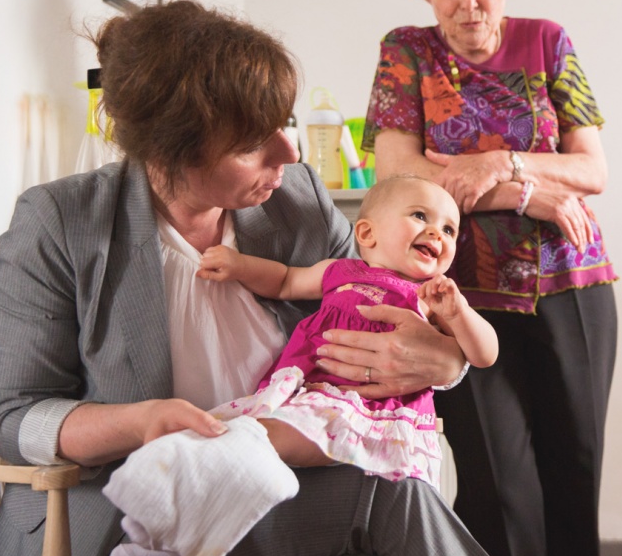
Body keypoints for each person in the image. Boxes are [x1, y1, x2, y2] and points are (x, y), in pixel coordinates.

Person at [0, 0, 507, 556]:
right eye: (254, 143)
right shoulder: (62, 221)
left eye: (284, 123)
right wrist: (140, 421)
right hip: (135, 519)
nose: (291, 152)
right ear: (171, 150)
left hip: (276, 495)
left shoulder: (295, 200)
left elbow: (388, 303)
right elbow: (16, 417)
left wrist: (447, 358)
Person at [363, 0, 619, 556]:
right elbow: (397, 171)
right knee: (495, 485)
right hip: (461, 296)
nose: (469, 2)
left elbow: (591, 169)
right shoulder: (406, 54)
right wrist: (524, 195)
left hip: (573, 285)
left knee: (576, 471)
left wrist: (498, 162)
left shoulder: (547, 42)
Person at [198, 173, 499, 489]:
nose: (437, 233)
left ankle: (229, 455)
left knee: (274, 439)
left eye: (449, 230)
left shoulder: (431, 296)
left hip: (375, 411)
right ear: (368, 233)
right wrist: (239, 266)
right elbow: (285, 281)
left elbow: (485, 354)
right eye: (420, 215)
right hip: (318, 391)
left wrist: (460, 313)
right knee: (263, 428)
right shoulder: (339, 271)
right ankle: (223, 456)